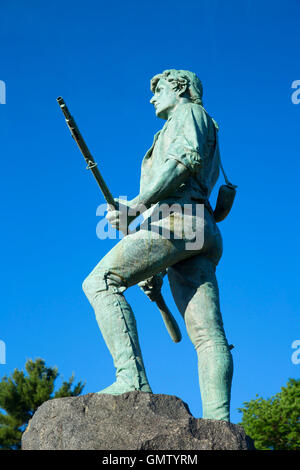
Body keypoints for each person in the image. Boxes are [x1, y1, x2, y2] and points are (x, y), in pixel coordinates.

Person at [82, 69, 233, 421]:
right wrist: (159, 267)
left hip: (179, 220)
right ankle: (218, 424)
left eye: (159, 89)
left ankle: (131, 379)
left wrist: (134, 207)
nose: (152, 97)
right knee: (209, 336)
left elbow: (183, 162)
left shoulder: (189, 113)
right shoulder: (195, 121)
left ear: (179, 88)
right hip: (198, 229)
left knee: (100, 282)